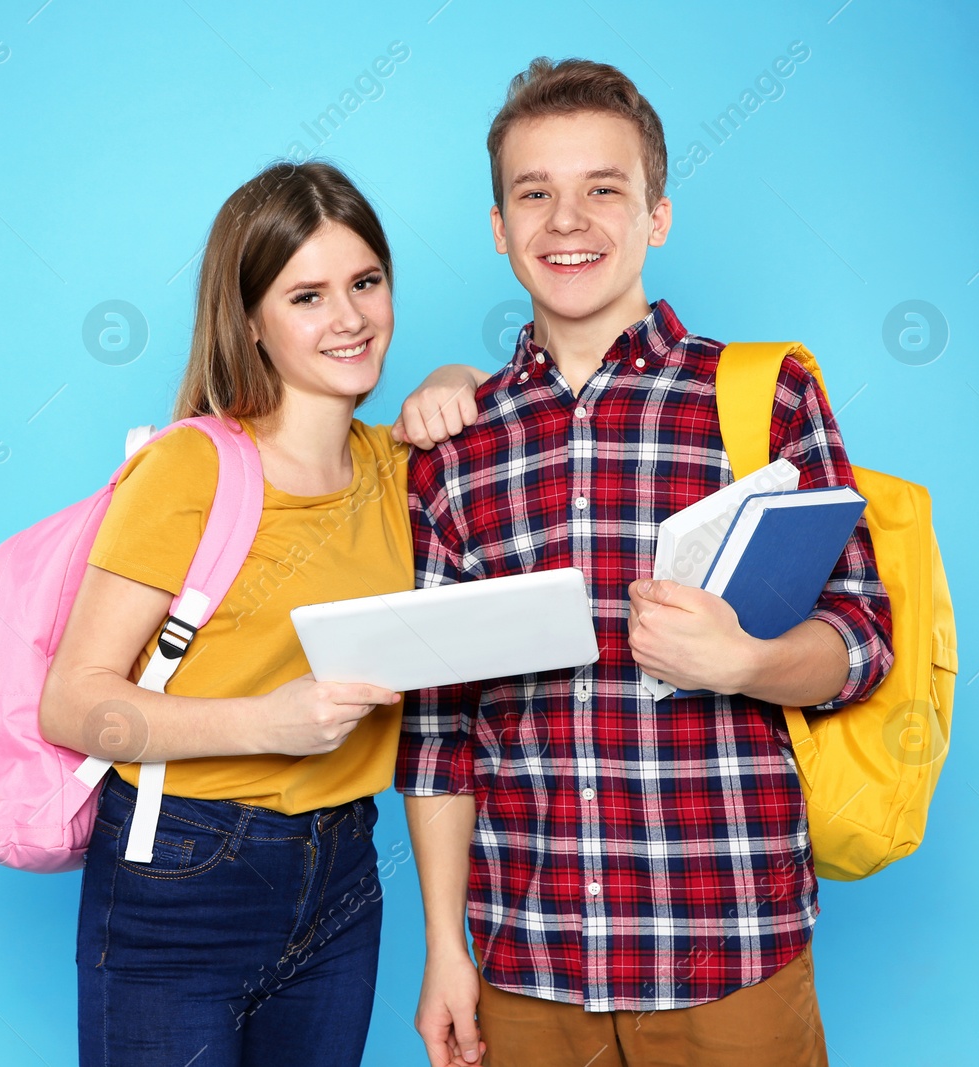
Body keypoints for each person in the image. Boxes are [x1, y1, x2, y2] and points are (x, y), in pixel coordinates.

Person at [396, 58, 894, 1067]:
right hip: (523, 966)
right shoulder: (455, 445)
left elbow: (862, 637)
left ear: (656, 214)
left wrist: (747, 662)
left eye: (602, 189)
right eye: (534, 193)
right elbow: (439, 727)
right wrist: (444, 947)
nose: (565, 219)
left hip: (732, 959)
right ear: (499, 228)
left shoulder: (765, 397)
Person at [37, 159, 467, 1067]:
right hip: (182, 877)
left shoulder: (401, 468)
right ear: (250, 323)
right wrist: (268, 721)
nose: (349, 317)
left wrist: (459, 378)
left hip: (346, 871)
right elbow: (74, 705)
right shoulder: (190, 469)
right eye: (306, 295)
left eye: (366, 282)